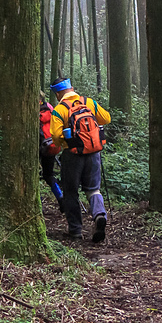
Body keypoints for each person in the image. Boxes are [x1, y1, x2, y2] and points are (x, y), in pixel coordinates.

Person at [49, 77, 110, 242]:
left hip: (72, 155)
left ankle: (75, 230)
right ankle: (99, 215)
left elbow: (55, 135)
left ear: (57, 94)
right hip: (93, 153)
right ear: (72, 88)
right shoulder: (89, 102)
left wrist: (64, 142)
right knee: (93, 189)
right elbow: (106, 118)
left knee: (70, 193)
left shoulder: (60, 109)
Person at [39, 91, 64, 212]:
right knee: (49, 175)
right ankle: (60, 197)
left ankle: (37, 203)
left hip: (39, 146)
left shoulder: (34, 111)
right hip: (52, 144)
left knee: (33, 174)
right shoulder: (49, 107)